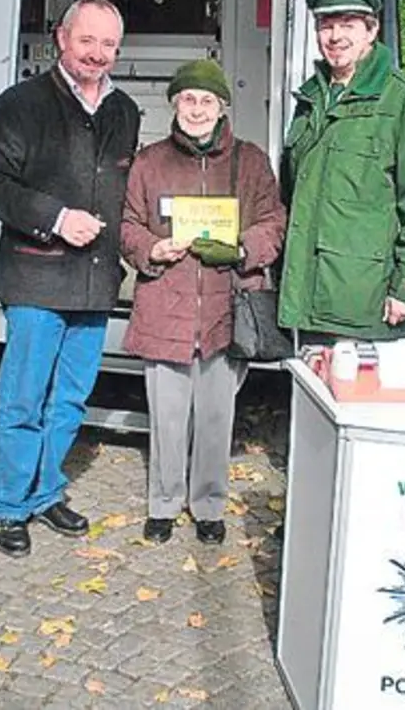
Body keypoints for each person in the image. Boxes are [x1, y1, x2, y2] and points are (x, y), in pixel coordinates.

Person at [0, 0, 142, 558]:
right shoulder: (19, 105)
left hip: (94, 281)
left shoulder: (126, 112)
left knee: (70, 400)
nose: (98, 54)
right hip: (35, 278)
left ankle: (45, 493)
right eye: (87, 41)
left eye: (109, 44)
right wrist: (55, 218)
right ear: (60, 39)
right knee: (24, 398)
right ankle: (11, 506)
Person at [120, 59, 287, 545]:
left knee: (217, 416)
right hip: (165, 306)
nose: (197, 109)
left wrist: (241, 249)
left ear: (221, 107)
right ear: (175, 104)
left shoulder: (250, 162)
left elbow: (273, 224)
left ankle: (209, 505)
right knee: (167, 416)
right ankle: (164, 504)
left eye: (206, 100)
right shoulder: (149, 162)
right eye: (188, 99)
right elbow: (129, 224)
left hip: (225, 310)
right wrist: (151, 248)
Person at [277, 0, 405, 342]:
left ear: (371, 31)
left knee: (352, 397)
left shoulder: (404, 100)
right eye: (326, 25)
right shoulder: (312, 99)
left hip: (361, 299)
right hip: (308, 297)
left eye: (348, 25)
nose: (335, 36)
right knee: (309, 395)